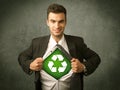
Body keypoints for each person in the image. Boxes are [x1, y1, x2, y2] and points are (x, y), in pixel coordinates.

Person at [18, 3, 101, 90]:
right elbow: (22, 57)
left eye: (61, 21)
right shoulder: (37, 43)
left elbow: (95, 58)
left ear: (65, 22)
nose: (57, 26)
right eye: (53, 21)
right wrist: (30, 65)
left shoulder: (77, 42)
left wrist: (83, 67)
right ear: (47, 22)